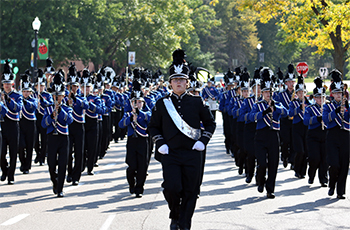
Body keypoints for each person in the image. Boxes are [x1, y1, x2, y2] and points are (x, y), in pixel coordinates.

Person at [148, 49, 216, 230]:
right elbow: (153, 126)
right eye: (175, 80)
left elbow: (210, 123)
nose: (179, 83)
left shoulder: (197, 102)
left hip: (192, 153)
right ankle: (175, 214)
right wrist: (160, 143)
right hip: (170, 153)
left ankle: (184, 223)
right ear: (170, 83)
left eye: (182, 80)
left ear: (187, 82)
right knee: (171, 187)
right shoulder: (162, 104)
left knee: (190, 190)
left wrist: (203, 141)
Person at [249, 67, 287, 199]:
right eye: (265, 92)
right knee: (262, 164)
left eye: (269, 92)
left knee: (273, 163)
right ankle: (260, 180)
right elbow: (251, 117)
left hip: (273, 136)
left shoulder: (277, 104)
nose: (267, 94)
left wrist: (276, 108)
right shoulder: (257, 105)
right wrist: (263, 112)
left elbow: (285, 113)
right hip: (260, 136)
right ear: (262, 93)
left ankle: (270, 189)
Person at [42, 71, 73, 197]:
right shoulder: (48, 108)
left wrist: (60, 112)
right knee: (51, 164)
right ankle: (54, 181)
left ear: (63, 96)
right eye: (55, 96)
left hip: (63, 138)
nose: (57, 98)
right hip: (52, 138)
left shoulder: (67, 108)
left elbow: (69, 120)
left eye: (59, 96)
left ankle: (60, 188)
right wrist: (51, 116)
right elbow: (44, 124)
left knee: (62, 164)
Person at [119, 79, 151, 198]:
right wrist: (130, 118)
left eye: (139, 102)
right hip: (132, 141)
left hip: (143, 141)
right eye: (135, 102)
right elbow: (121, 124)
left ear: (143, 103)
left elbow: (150, 120)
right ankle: (132, 184)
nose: (137, 104)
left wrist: (140, 113)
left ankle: (139, 189)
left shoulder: (147, 113)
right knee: (132, 166)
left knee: (142, 167)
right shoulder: (128, 114)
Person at [322, 69, 349, 199]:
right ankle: (332, 184)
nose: (339, 95)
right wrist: (336, 111)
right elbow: (326, 119)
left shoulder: (348, 105)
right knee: (334, 164)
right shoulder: (328, 106)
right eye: (337, 93)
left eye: (341, 93)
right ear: (332, 94)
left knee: (344, 165)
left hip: (345, 136)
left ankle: (340, 191)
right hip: (332, 136)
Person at [0, 60, 23, 184]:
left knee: (13, 152)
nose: (6, 86)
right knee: (1, 153)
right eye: (5, 84)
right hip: (2, 125)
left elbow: (18, 108)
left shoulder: (17, 95)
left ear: (12, 84)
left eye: (9, 84)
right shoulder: (0, 94)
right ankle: (4, 170)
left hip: (13, 125)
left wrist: (8, 100)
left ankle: (11, 176)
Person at [66, 64, 89, 185]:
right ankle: (69, 173)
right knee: (68, 151)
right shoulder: (64, 96)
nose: (73, 88)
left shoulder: (81, 96)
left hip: (79, 125)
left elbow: (86, 106)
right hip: (68, 125)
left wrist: (75, 99)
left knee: (79, 152)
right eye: (71, 86)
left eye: (75, 86)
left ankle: (76, 176)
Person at [303, 77, 328, 187]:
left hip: (325, 134)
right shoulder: (310, 108)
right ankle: (311, 174)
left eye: (322, 97)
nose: (320, 100)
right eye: (318, 98)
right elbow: (306, 121)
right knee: (315, 158)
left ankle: (323, 179)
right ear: (314, 98)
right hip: (313, 135)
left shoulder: (328, 107)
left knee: (324, 158)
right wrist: (317, 119)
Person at [288, 73, 310, 179]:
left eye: (303, 92)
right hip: (297, 128)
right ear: (296, 93)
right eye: (299, 92)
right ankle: (297, 169)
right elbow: (290, 114)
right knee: (300, 150)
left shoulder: (309, 103)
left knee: (306, 151)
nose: (301, 94)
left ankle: (303, 171)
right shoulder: (293, 103)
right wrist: (299, 109)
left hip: (306, 128)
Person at [275, 63, 296, 168]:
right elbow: (279, 105)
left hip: (294, 120)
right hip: (285, 120)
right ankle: (285, 156)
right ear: (286, 83)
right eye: (290, 82)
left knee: (293, 140)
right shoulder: (281, 94)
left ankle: (292, 160)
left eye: (293, 82)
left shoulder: (297, 94)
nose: (292, 84)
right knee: (285, 140)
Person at [18, 71, 38, 174]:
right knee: (20, 145)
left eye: (27, 91)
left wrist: (25, 101)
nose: (25, 93)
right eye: (24, 91)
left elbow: (33, 107)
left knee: (30, 146)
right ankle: (22, 162)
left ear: (30, 92)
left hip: (30, 124)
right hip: (21, 124)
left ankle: (27, 166)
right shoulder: (19, 99)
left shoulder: (33, 100)